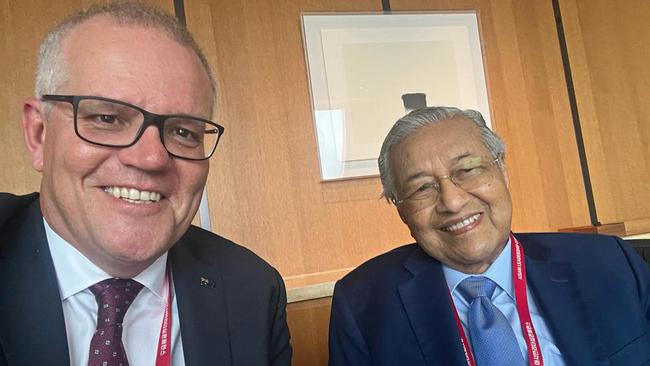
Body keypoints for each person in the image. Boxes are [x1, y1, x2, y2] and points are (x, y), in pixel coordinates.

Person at [0, 2, 291, 365]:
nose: (151, 158)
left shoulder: (252, 291)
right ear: (39, 135)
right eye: (107, 118)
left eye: (183, 131)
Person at [328, 106, 650, 366]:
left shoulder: (609, 262)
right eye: (422, 188)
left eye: (467, 170)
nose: (452, 202)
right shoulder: (363, 305)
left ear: (502, 171)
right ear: (401, 210)